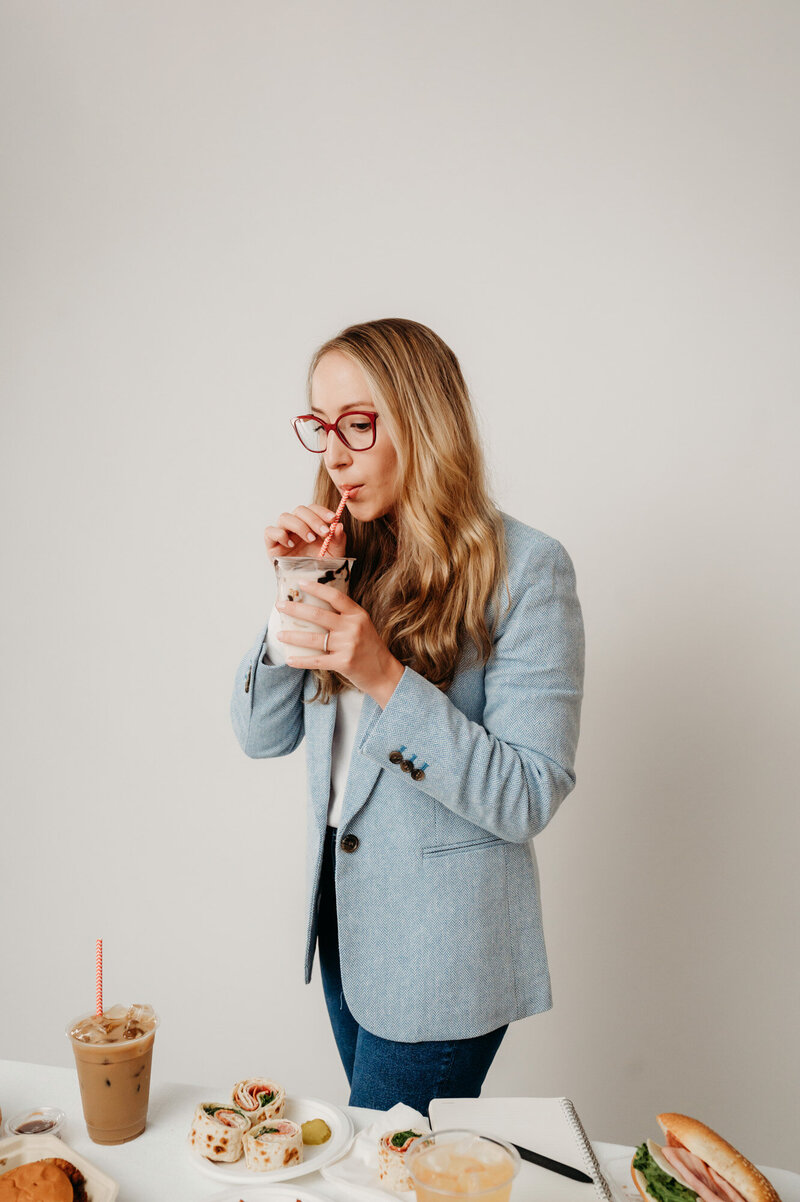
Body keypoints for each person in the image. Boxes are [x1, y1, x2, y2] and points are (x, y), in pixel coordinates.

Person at [231, 317, 584, 1114]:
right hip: (345, 927)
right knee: (387, 1172)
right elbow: (261, 735)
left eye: (359, 423)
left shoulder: (526, 569)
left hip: (443, 950)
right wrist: (294, 592)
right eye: (322, 427)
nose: (334, 453)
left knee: (376, 1181)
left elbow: (529, 792)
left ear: (425, 421)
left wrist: (381, 674)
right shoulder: (342, 558)